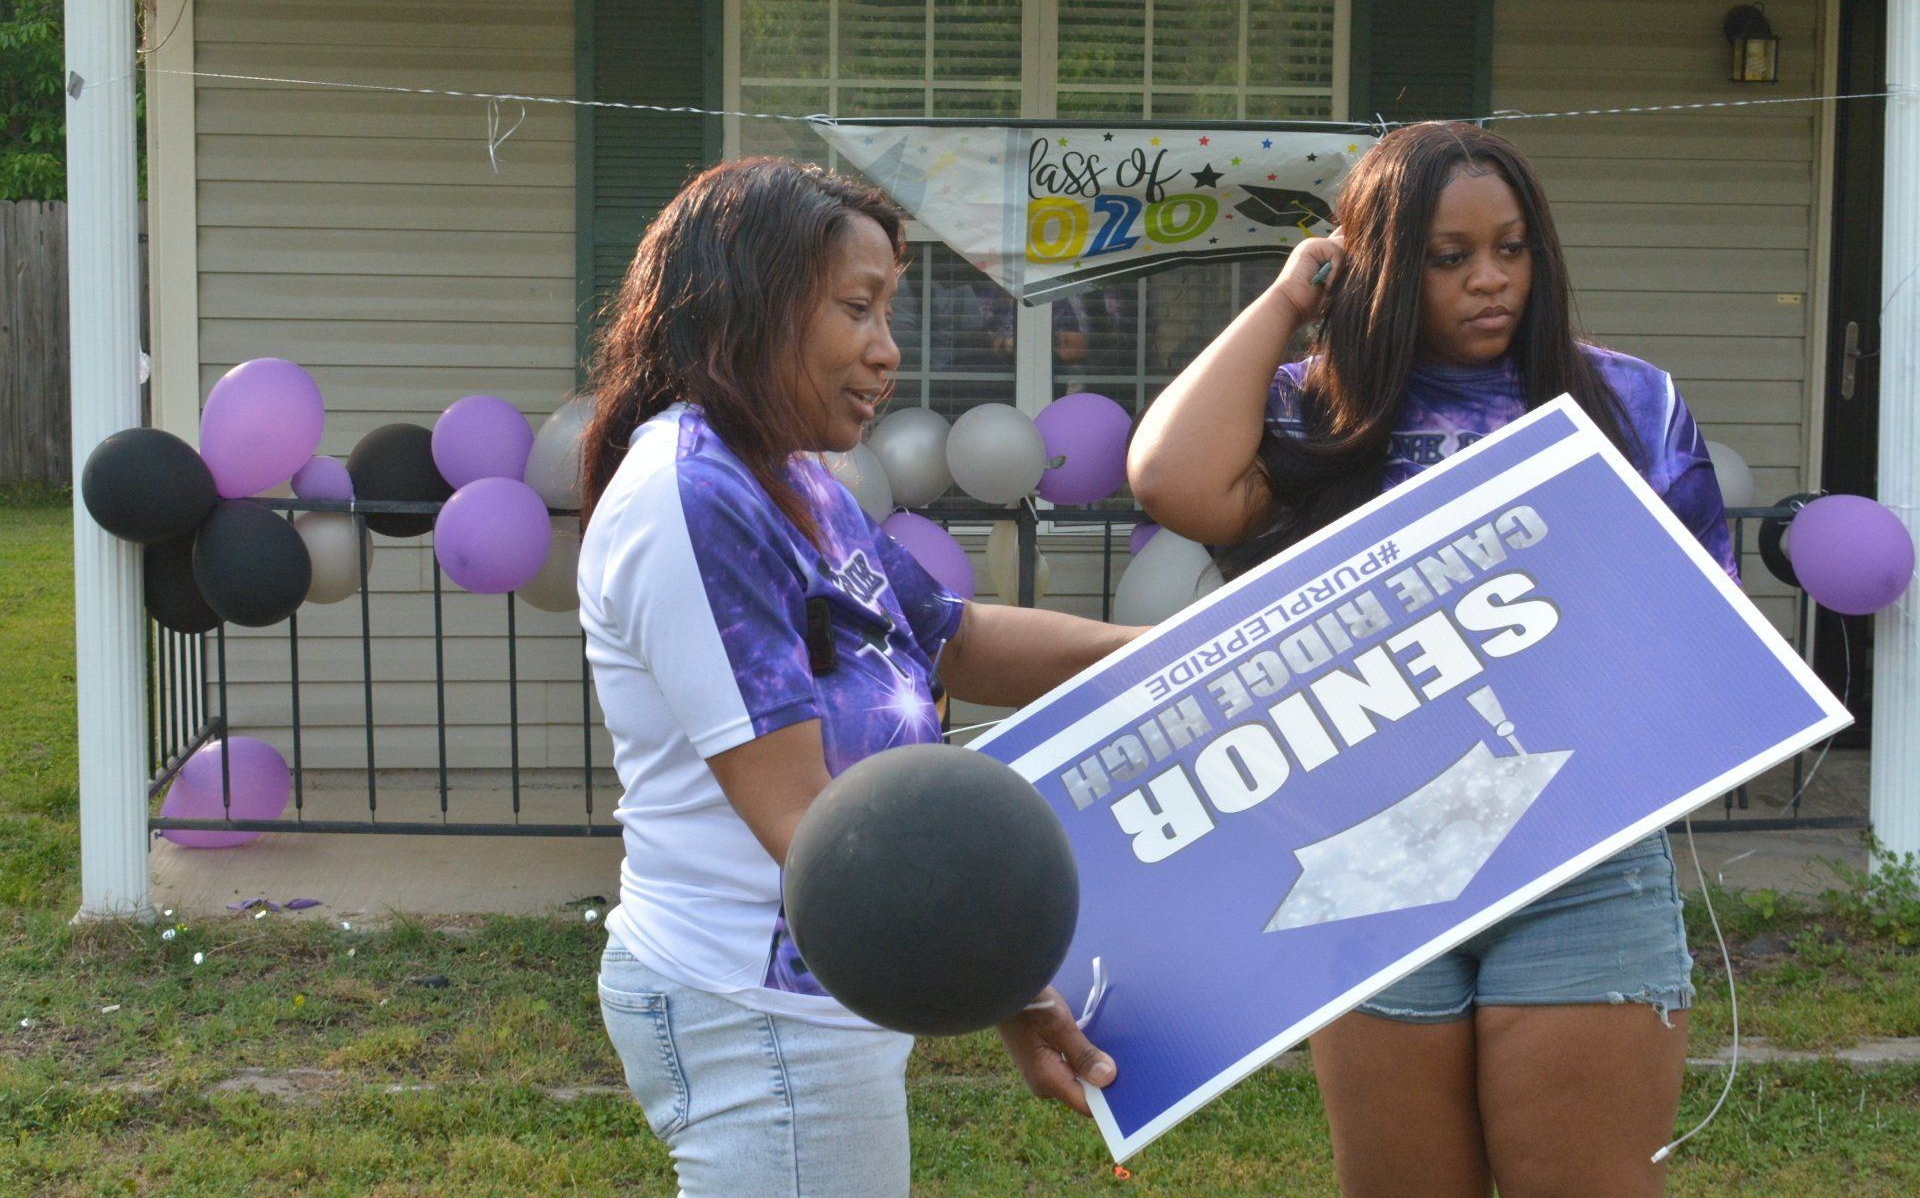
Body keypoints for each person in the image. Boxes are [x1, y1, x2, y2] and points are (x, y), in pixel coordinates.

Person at [1129, 121, 1733, 1198]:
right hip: (1376, 857)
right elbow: (1172, 481)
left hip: (1581, 849)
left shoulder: (1630, 400)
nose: (1489, 279)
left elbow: (1703, 624)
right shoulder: (1317, 405)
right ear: (1378, 270)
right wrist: (1287, 300)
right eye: (1448, 257)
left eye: (1511, 247)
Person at [575, 157, 1135, 1198]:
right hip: (763, 1008)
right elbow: (812, 830)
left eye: (889, 311)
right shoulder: (694, 496)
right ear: (751, 305)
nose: (887, 350)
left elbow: (951, 637)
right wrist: (1007, 984)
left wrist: (1176, 653)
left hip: (822, 988)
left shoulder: (790, 474)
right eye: (856, 308)